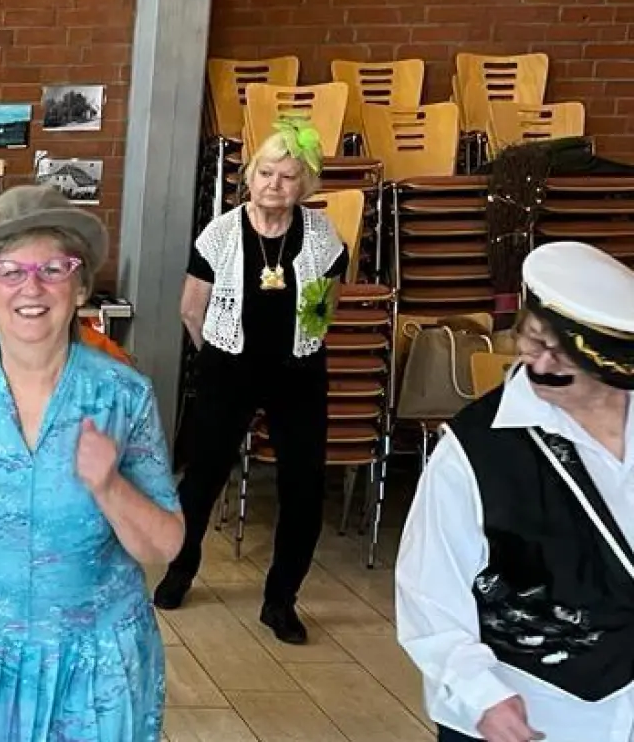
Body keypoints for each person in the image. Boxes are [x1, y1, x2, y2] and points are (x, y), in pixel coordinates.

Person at [0, 184, 184, 741]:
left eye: (53, 268)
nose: (32, 287)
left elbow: (165, 546)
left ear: (81, 285)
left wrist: (110, 486)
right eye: (11, 271)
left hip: (89, 656)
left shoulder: (122, 397)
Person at [397, 241, 634, 742]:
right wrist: (479, 691)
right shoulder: (476, 448)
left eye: (562, 352)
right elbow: (428, 590)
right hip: (530, 708)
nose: (541, 366)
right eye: (532, 340)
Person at [153, 117, 347, 645]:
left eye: (287, 177)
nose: (273, 185)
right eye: (265, 173)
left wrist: (297, 350)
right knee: (200, 482)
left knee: (303, 490)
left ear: (304, 184)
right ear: (250, 175)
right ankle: (180, 570)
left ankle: (280, 600)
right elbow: (191, 309)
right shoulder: (220, 234)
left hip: (299, 373)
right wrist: (219, 358)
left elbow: (324, 309)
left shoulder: (323, 236)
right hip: (227, 368)